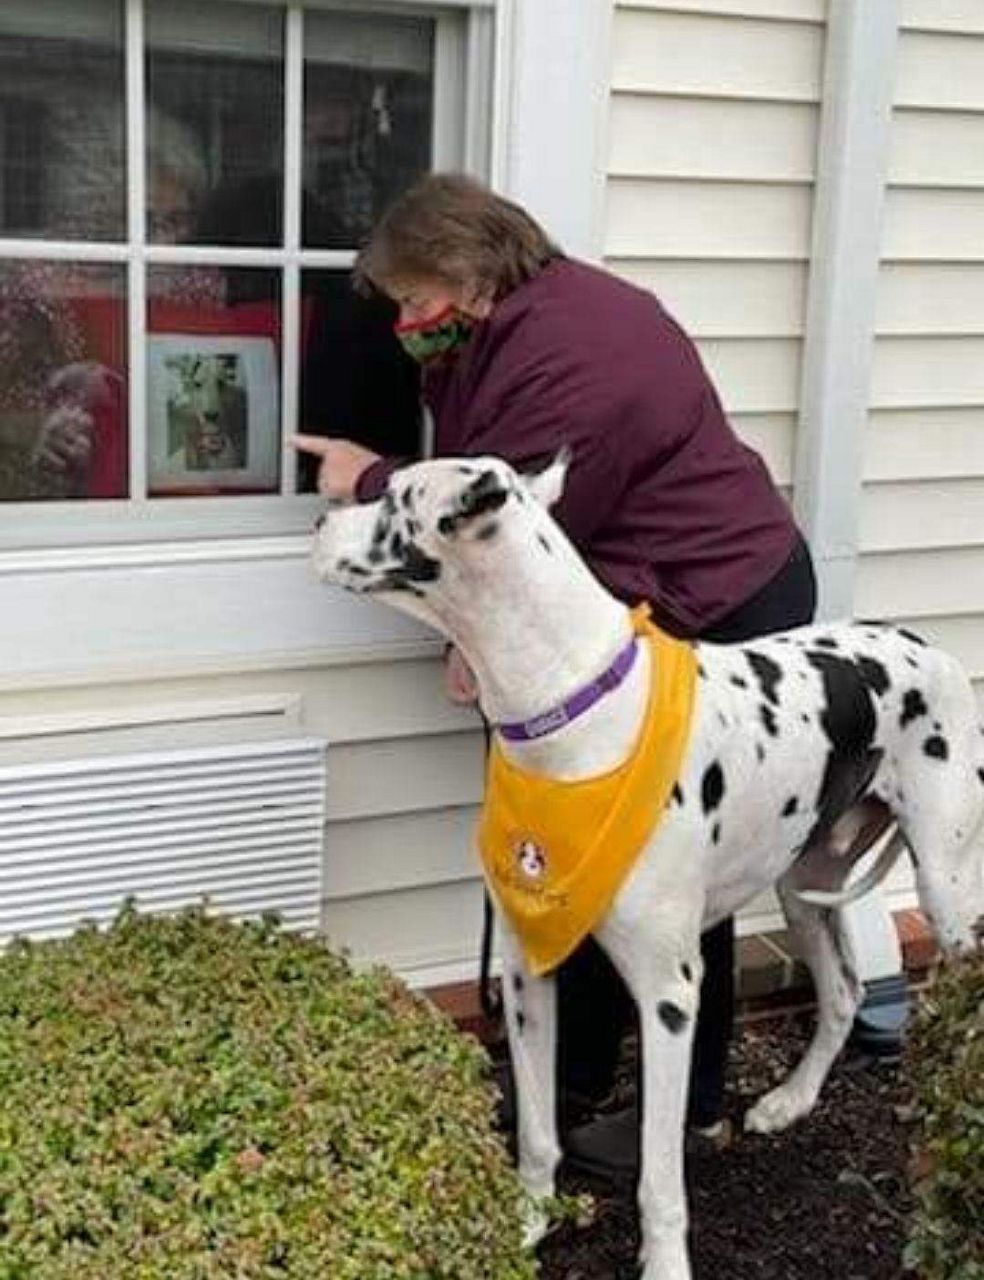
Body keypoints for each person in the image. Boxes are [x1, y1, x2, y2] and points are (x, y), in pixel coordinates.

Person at [291, 173, 817, 1176]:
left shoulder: (572, 356)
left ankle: (690, 1108)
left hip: (722, 599)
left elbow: (498, 525)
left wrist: (364, 480)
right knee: (568, 852)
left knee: (667, 873)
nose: (406, 324)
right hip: (640, 597)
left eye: (416, 301)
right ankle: (572, 1080)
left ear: (475, 276)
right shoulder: (514, 327)